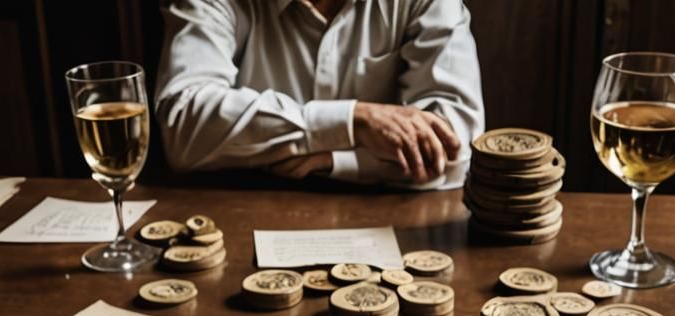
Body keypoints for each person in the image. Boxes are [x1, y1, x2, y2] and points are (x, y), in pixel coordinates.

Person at [155, 0, 485, 188]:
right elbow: (184, 125)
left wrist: (333, 160)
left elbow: (457, 145)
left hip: (391, 226)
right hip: (240, 215)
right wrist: (353, 122)